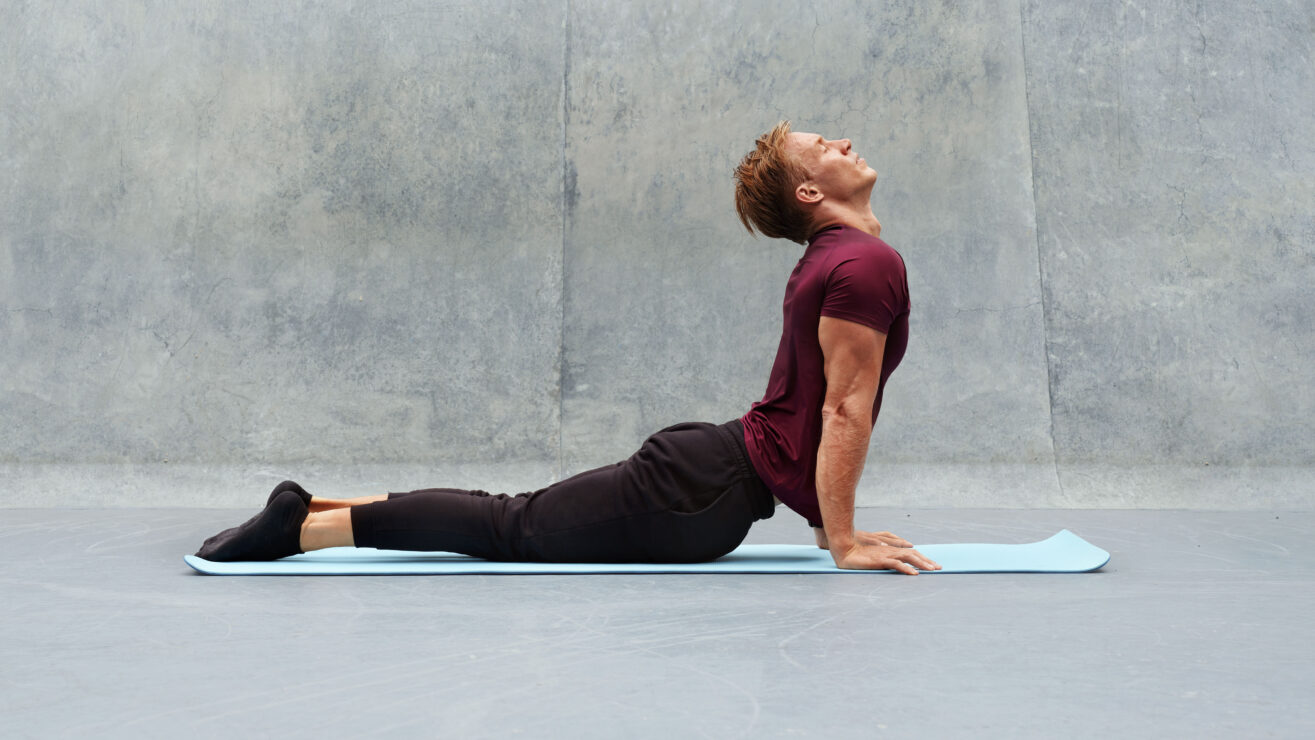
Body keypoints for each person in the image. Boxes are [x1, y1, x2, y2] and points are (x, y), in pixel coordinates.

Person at [196, 121, 941, 574]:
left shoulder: (840, 259)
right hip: (702, 486)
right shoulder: (862, 262)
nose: (843, 142)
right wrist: (840, 540)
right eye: (824, 144)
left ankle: (311, 508)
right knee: (512, 527)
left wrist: (827, 531)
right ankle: (302, 531)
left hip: (709, 475)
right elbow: (841, 407)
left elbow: (813, 400)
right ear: (809, 193)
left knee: (515, 516)